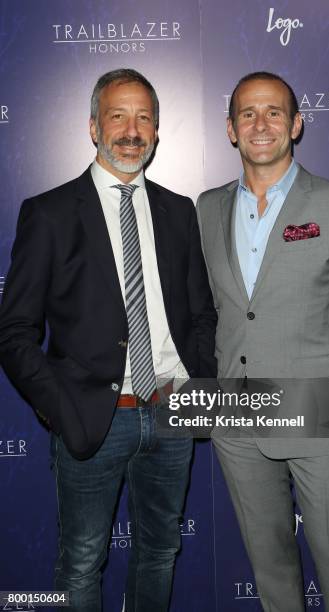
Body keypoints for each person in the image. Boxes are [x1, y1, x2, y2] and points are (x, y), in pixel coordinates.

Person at [0, 68, 217, 612]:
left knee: (160, 552)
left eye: (144, 117)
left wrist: (197, 387)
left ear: (158, 131)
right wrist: (59, 407)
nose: (131, 129)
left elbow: (200, 313)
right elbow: (15, 331)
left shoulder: (178, 209)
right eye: (117, 115)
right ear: (93, 126)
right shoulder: (48, 213)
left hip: (171, 413)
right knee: (81, 559)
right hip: (93, 419)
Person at [197, 71, 329, 612]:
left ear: (296, 125)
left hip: (322, 415)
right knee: (271, 569)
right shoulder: (206, 209)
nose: (261, 124)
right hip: (237, 418)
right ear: (231, 130)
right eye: (247, 114)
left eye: (274, 112)